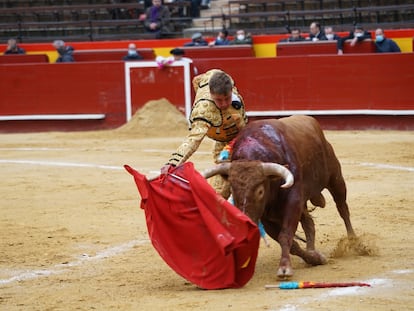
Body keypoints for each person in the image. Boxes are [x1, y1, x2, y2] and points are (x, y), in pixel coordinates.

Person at [163, 69, 247, 198]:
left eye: (227, 98)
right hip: (223, 143)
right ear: (211, 94)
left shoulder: (226, 81)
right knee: (221, 192)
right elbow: (193, 140)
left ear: (231, 90)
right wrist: (173, 163)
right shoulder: (204, 110)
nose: (224, 104)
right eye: (219, 100)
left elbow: (198, 79)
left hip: (244, 137)